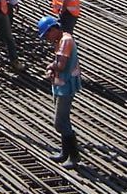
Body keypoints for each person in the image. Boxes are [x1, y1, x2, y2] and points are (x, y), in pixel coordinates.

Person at [37, 15, 82, 168]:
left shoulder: (65, 41)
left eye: (47, 34)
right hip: (61, 83)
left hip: (66, 85)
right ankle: (65, 152)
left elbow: (61, 65)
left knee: (60, 122)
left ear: (54, 29)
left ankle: (74, 156)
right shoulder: (62, 39)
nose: (47, 39)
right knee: (64, 121)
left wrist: (51, 67)